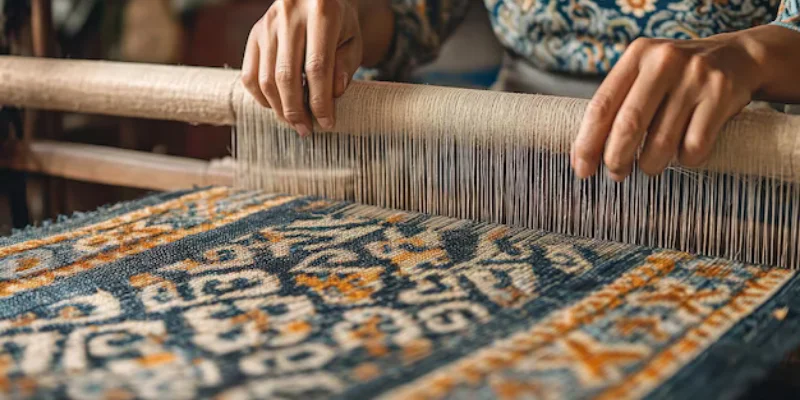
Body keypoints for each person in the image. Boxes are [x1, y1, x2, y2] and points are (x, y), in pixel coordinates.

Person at [240, 0, 800, 181]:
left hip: (733, 154)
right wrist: (342, 14)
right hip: (512, 159)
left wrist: (752, 54)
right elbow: (409, 14)